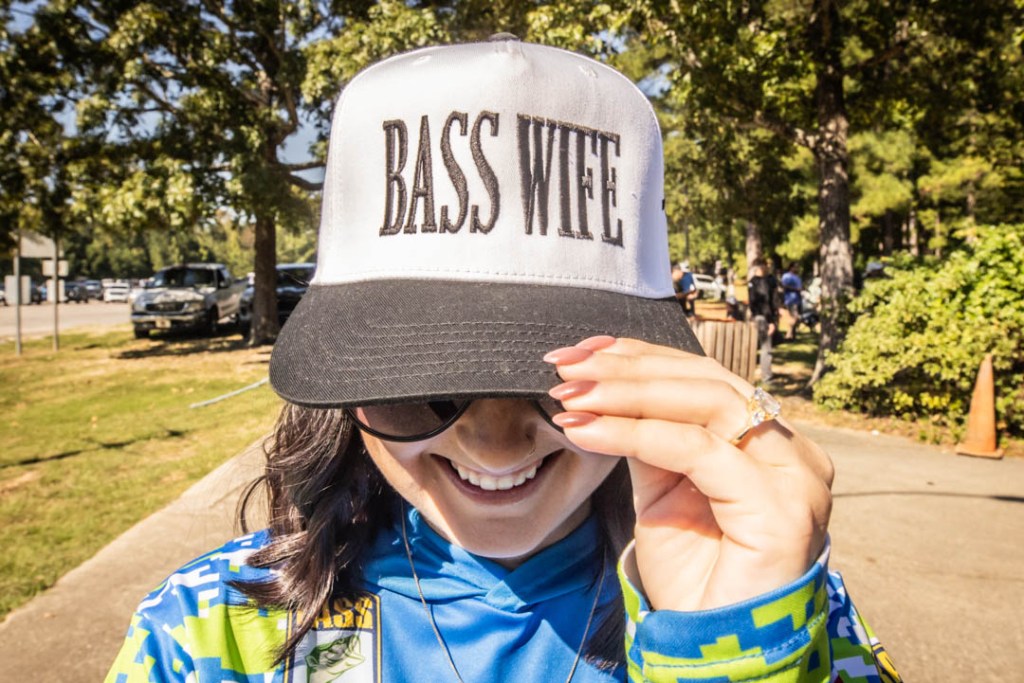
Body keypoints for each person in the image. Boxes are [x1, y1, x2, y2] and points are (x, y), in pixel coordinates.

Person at [106, 37, 901, 683]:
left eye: (561, 384)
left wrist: (734, 653)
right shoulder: (209, 633)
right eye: (420, 384)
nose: (493, 447)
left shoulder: (777, 605)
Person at [747, 259, 779, 386]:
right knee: (766, 348)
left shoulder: (753, 282)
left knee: (762, 347)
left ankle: (764, 374)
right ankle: (767, 377)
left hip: (759, 317)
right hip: (764, 318)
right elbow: (764, 303)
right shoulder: (760, 283)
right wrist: (771, 321)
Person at [781, 262, 804, 340]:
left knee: (797, 317)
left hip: (798, 299)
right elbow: (784, 286)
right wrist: (795, 289)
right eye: (795, 267)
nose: (797, 269)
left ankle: (792, 336)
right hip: (790, 299)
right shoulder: (787, 276)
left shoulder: (797, 277)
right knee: (795, 317)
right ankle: (788, 334)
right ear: (791, 267)